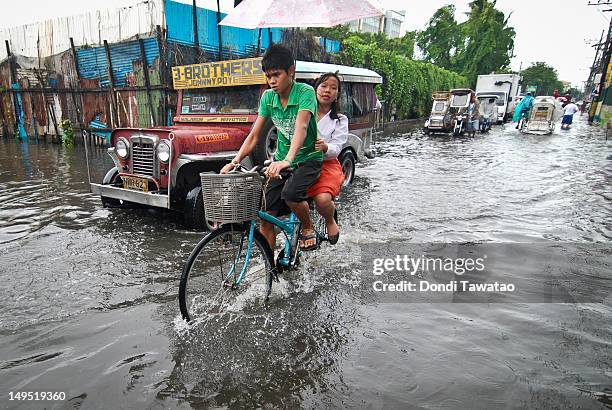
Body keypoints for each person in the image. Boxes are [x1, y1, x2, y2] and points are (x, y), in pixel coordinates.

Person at [220, 44, 323, 251]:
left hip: (308, 158)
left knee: (291, 194)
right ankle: (270, 269)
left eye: (276, 75)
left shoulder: (305, 92)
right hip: (282, 160)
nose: (272, 81)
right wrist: (234, 161)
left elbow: (301, 126)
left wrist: (288, 160)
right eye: (268, 76)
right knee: (266, 215)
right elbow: (255, 135)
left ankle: (308, 227)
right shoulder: (268, 97)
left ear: (291, 71)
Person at [307, 72, 347, 245]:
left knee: (322, 200)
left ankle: (330, 220)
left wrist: (325, 148)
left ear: (337, 94)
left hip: (326, 165)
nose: (327, 91)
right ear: (315, 89)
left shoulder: (340, 120)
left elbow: (337, 147)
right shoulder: (304, 112)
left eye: (333, 88)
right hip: (301, 162)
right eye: (323, 86)